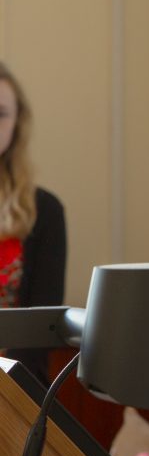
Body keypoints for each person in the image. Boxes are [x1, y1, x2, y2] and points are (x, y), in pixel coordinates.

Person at [0, 62, 67, 384]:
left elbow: (43, 326)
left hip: (15, 388)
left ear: (16, 123)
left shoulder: (45, 210)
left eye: (1, 113)